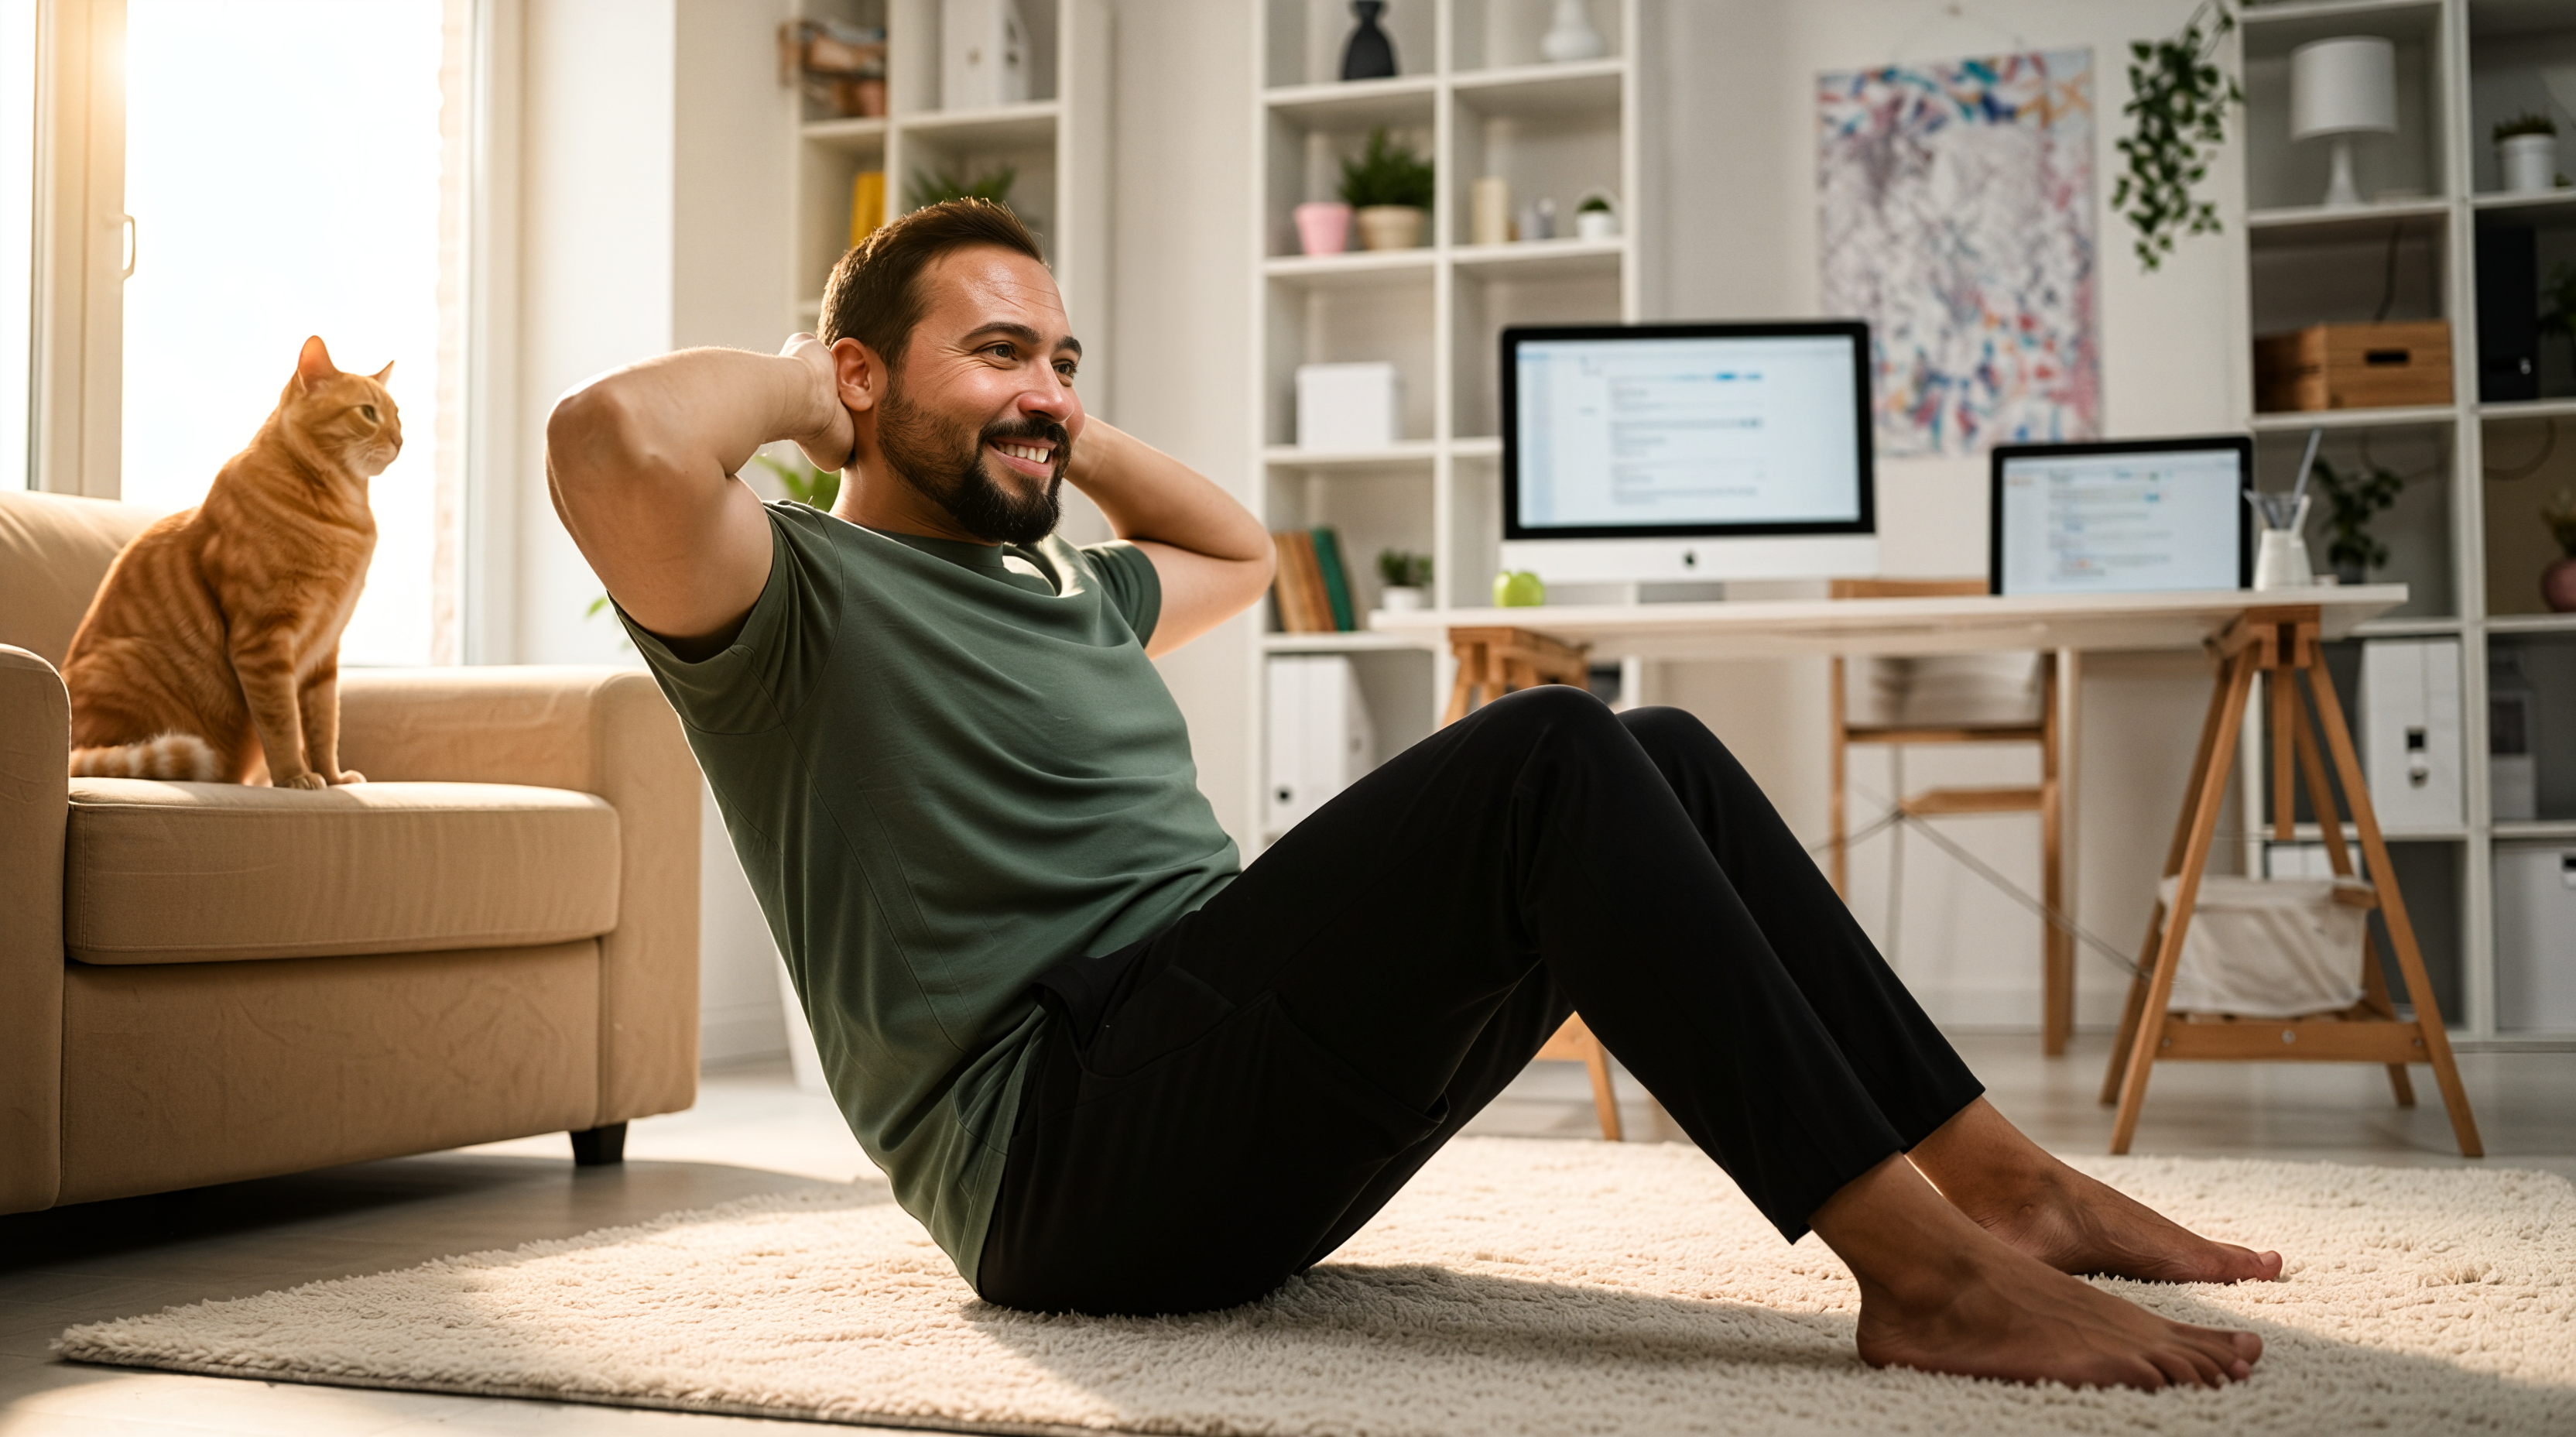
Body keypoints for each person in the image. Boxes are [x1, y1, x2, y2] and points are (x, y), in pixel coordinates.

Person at [546, 200, 2279, 1391]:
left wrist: (1042, 418)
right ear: (862, 378)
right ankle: (1929, 1277)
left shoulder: (1077, 589)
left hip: (1210, 1094)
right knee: (1547, 748)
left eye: (1063, 360)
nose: (1049, 395)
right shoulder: (780, 602)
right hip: (1062, 1160)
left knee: (1646, 745)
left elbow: (1230, 544)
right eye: (1001, 353)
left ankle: (1995, 1184)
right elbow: (610, 439)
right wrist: (817, 364)